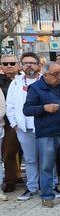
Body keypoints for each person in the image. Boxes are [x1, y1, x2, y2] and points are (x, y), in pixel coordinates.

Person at [22, 61, 60, 207]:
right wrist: (44, 108)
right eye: (55, 74)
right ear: (45, 74)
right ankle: (47, 196)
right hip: (47, 133)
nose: (59, 77)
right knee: (47, 165)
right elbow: (27, 110)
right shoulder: (35, 88)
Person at [7, 52, 43, 201]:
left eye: (32, 63)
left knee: (47, 158)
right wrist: (14, 124)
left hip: (42, 127)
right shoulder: (15, 83)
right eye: (25, 63)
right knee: (30, 159)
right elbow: (10, 106)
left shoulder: (44, 81)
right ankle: (32, 187)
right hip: (23, 128)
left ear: (39, 66)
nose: (29, 65)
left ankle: (51, 185)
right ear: (21, 66)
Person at [0, 54, 19, 193]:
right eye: (5, 64)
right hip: (7, 123)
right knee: (9, 152)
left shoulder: (24, 79)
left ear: (17, 65)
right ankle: (10, 180)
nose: (9, 66)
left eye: (12, 63)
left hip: (27, 120)